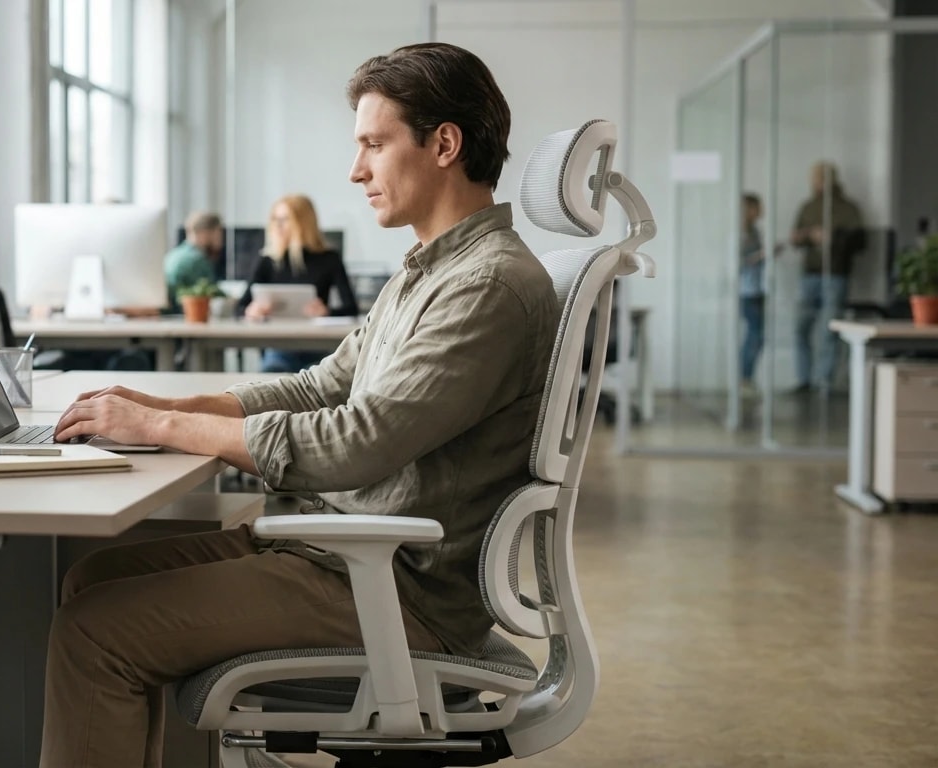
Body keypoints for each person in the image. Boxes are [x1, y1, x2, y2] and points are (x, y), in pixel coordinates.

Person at [41, 42, 557, 768]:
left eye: (375, 145)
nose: (356, 170)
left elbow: (357, 441)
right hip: (342, 551)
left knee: (97, 630)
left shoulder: (487, 286)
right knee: (92, 577)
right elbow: (322, 385)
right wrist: (168, 402)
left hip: (395, 589)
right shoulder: (429, 271)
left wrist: (161, 427)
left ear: (444, 144)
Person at [238, 194, 359, 371]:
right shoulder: (267, 260)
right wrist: (251, 310)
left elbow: (351, 308)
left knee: (326, 379)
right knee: (273, 369)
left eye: (285, 219)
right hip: (278, 346)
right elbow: (240, 306)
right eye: (275, 219)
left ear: (303, 223)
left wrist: (326, 311)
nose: (278, 225)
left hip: (317, 346)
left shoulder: (329, 259)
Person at [790, 161, 864, 393]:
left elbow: (860, 241)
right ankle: (804, 380)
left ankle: (825, 381)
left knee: (829, 329)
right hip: (810, 274)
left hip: (835, 274)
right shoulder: (808, 206)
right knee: (801, 327)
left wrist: (833, 237)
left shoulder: (847, 208)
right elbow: (794, 238)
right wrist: (807, 236)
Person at [163, 210, 224, 310]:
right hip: (185, 315)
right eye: (218, 232)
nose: (220, 238)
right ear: (205, 232)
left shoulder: (172, 254)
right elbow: (212, 294)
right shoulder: (197, 260)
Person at [739, 193, 767, 396]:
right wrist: (761, 255)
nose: (760, 211)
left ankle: (746, 377)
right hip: (746, 291)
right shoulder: (741, 233)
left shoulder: (755, 231)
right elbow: (740, 262)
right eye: (757, 207)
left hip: (757, 288)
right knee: (755, 336)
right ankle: (744, 378)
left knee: (757, 336)